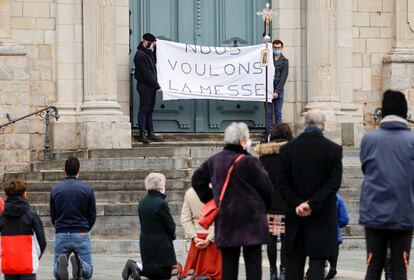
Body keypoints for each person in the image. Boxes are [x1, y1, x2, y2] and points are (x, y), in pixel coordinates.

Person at [192, 122, 273, 280]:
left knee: (228, 262)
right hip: (251, 217)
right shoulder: (250, 161)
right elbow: (267, 188)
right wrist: (264, 207)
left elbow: (197, 180)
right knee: (253, 261)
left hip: (226, 216)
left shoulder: (215, 160)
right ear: (243, 140)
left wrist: (212, 198)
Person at [278, 109, 343, 280]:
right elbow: (333, 184)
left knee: (294, 265)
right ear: (323, 126)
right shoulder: (333, 150)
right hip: (321, 216)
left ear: (304, 124)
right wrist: (312, 204)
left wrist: (298, 204)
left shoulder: (287, 150)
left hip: (296, 215)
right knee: (317, 264)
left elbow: (282, 184)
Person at [359, 90, 414, 280]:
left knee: (373, 265)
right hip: (403, 212)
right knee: (400, 268)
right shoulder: (411, 141)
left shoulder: (369, 139)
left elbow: (366, 169)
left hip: (374, 212)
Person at [122, 172, 181, 280]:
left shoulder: (142, 203)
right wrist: (171, 237)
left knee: (152, 271)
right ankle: (136, 266)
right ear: (161, 186)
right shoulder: (161, 203)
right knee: (165, 273)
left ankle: (136, 266)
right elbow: (170, 225)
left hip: (146, 239)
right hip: (161, 242)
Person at [255, 123, 293, 280]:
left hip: (269, 203)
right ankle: (284, 270)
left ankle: (272, 271)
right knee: (286, 239)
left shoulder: (263, 156)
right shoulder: (292, 154)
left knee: (271, 239)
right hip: (287, 203)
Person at [50, 157, 96, 280]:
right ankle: (81, 265)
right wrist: (85, 227)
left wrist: (59, 226)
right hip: (81, 231)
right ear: (78, 171)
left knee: (57, 273)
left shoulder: (55, 190)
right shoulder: (87, 189)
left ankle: (61, 264)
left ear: (64, 171)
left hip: (62, 232)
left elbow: (53, 215)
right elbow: (92, 214)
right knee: (88, 272)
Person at [0, 180, 46, 280]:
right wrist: (35, 256)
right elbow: (42, 240)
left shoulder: (2, 217)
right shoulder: (31, 215)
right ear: (24, 194)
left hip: (9, 263)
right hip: (27, 263)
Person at [181, 187, 222, 279]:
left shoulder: (190, 192)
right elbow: (221, 219)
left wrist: (194, 237)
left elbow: (185, 219)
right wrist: (208, 239)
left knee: (192, 273)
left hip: (197, 239)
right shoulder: (218, 190)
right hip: (214, 238)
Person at [134, 32, 164, 144]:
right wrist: (157, 85)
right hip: (145, 86)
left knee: (149, 110)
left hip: (150, 86)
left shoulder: (147, 52)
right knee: (144, 109)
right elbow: (147, 73)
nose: (152, 46)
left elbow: (155, 60)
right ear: (145, 42)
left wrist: (155, 48)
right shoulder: (140, 55)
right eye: (151, 44)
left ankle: (150, 133)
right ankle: (142, 134)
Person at [266, 39, 289, 135]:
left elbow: (283, 77)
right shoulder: (267, 58)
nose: (277, 49)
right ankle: (269, 133)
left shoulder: (285, 61)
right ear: (272, 48)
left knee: (278, 113)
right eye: (275, 48)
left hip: (278, 91)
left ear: (282, 48)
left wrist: (277, 91)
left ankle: (278, 134)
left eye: (279, 48)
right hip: (268, 90)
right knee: (268, 113)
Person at [326, 193, 349, 279]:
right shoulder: (338, 198)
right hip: (333, 233)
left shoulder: (313, 196)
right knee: (333, 251)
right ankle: (333, 267)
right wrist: (337, 224)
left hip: (317, 234)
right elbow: (344, 219)